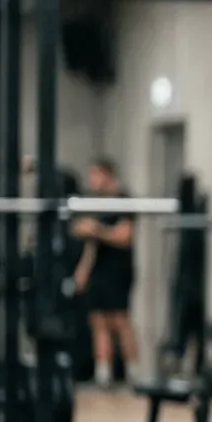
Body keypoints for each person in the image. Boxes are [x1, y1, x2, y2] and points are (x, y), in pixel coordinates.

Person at [71, 157, 138, 387]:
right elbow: (87, 238)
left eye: (95, 175)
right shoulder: (95, 202)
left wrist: (98, 230)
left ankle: (132, 371)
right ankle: (103, 373)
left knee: (120, 320)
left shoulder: (123, 199)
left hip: (118, 268)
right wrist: (83, 270)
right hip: (98, 269)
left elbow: (124, 236)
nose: (92, 181)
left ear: (107, 174)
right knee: (98, 321)